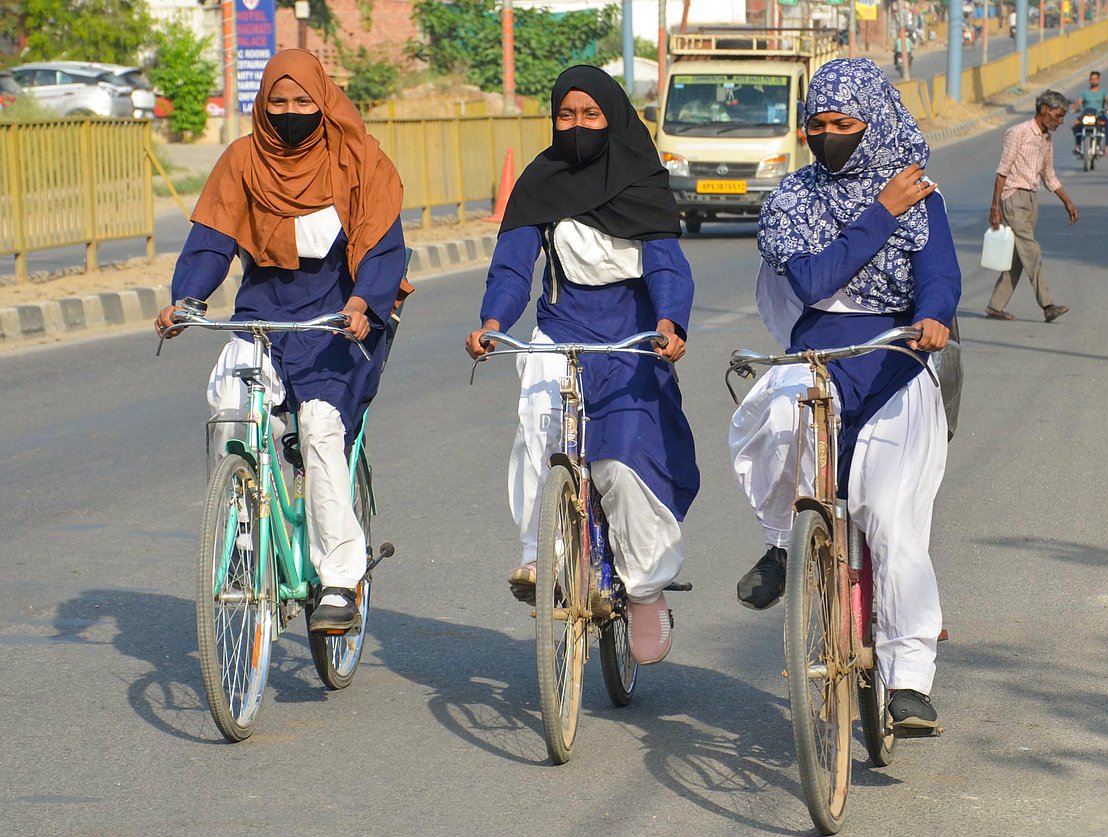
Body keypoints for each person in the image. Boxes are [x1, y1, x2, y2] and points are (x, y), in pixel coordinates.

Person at [730, 58, 959, 730]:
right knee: (773, 422)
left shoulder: (920, 193)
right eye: (817, 124)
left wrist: (936, 314)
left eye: (843, 123)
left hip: (893, 359)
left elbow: (939, 275)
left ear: (876, 121)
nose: (827, 135)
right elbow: (812, 280)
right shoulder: (792, 200)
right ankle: (784, 544)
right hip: (819, 354)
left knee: (890, 514)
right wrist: (879, 215)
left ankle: (910, 678)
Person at [155, 50, 409, 632]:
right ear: (262, 106)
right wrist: (187, 299)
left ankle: (340, 579)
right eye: (279, 102)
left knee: (320, 426)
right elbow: (211, 239)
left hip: (340, 320)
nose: (291, 112)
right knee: (229, 397)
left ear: (323, 103)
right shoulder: (242, 160)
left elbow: (383, 246)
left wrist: (364, 301)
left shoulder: (357, 161)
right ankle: (242, 530)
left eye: (303, 102)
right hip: (265, 315)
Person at [465, 65, 700, 666]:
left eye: (589, 116)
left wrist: (670, 324)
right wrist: (494, 323)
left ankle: (646, 590)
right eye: (565, 116)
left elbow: (668, 267)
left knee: (620, 465)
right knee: (537, 431)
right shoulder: (540, 182)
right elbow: (514, 266)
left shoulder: (645, 182)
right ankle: (538, 554)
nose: (576, 127)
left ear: (612, 118)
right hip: (563, 329)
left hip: (633, 337)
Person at [985, 90, 1077, 323]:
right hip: (1013, 197)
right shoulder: (1019, 133)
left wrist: (1067, 202)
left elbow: (1049, 175)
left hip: (1031, 200)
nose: (1061, 121)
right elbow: (1002, 171)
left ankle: (995, 306)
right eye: (1058, 115)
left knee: (1018, 256)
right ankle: (1047, 305)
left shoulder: (1046, 139)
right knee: (1032, 251)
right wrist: (995, 207)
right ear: (1044, 109)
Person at [1072, 70, 1108, 157]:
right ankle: (1078, 146)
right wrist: (1075, 107)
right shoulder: (1084, 92)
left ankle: (1107, 146)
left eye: (1095, 79)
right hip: (1086, 115)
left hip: (1099, 116)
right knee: (1077, 124)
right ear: (1089, 80)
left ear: (1098, 80)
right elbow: (1079, 102)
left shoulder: (1103, 92)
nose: (1093, 81)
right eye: (1092, 79)